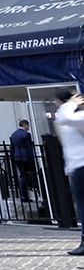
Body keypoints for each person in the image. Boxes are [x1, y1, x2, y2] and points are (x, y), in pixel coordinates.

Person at [53, 88, 84, 256]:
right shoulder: (70, 121)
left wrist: (72, 102)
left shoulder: (78, 117)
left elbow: (64, 117)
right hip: (77, 166)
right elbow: (69, 147)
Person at [9, 119, 35, 202]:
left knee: (22, 176)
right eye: (28, 126)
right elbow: (29, 147)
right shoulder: (26, 135)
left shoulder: (13, 134)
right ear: (25, 125)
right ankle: (27, 194)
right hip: (25, 157)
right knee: (27, 175)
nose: (28, 128)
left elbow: (12, 147)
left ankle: (23, 195)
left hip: (17, 156)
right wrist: (32, 158)